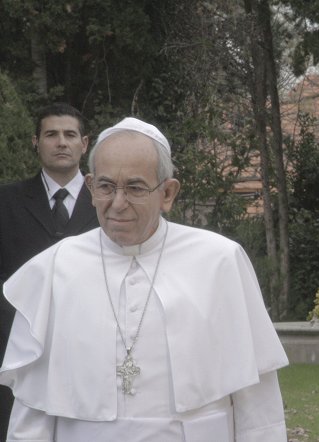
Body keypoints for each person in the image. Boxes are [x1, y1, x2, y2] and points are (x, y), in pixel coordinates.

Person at [0, 117, 289, 441]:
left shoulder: (220, 261)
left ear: (167, 192)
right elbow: (31, 409)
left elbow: (258, 401)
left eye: (135, 187)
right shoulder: (53, 268)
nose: (117, 203)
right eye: (107, 187)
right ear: (92, 188)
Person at [0, 102, 99, 440]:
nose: (61, 142)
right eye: (51, 134)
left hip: (92, 348)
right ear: (36, 142)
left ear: (84, 144)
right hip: (17, 349)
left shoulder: (108, 204)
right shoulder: (5, 202)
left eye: (70, 135)